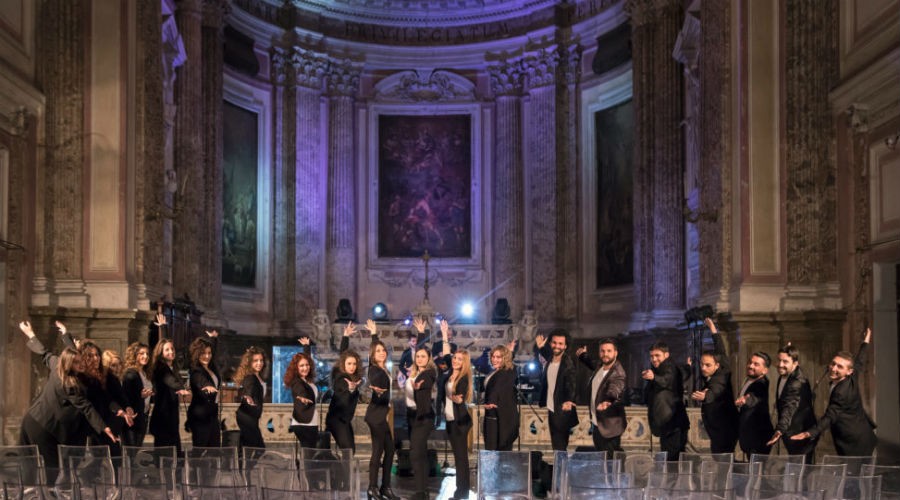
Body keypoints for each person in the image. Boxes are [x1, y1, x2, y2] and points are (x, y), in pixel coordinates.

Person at [18, 320, 115, 472]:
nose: (82, 364)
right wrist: (104, 427)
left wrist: (61, 334)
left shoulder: (57, 363)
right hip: (41, 425)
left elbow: (45, 353)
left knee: (43, 466)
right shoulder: (70, 385)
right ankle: (44, 494)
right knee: (49, 467)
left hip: (33, 418)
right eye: (77, 363)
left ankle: (40, 492)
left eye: (81, 360)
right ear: (69, 365)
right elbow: (86, 407)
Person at [791, 328, 877, 456]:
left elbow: (830, 416)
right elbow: (860, 361)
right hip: (864, 434)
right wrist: (866, 341)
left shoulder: (841, 393)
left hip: (854, 442)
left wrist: (810, 433)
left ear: (848, 371)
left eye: (839, 367)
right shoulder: (851, 376)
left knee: (854, 474)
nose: (833, 368)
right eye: (833, 364)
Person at [691, 318, 739, 454]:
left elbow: (715, 389)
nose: (703, 368)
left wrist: (706, 396)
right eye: (702, 364)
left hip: (725, 428)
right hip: (719, 427)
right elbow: (720, 348)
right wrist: (713, 329)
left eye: (707, 365)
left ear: (716, 365)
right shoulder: (723, 364)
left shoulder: (719, 378)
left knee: (723, 461)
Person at [76, 340, 132, 455]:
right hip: (91, 423)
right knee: (97, 458)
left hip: (104, 422)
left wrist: (121, 410)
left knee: (112, 456)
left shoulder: (97, 378)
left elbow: (108, 399)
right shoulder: (80, 377)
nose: (96, 358)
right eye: (91, 356)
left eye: (97, 355)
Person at [765, 343, 817, 463]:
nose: (780, 364)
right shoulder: (786, 375)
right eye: (779, 360)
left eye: (785, 361)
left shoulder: (797, 382)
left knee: (801, 470)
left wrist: (780, 429)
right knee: (796, 468)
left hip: (800, 433)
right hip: (791, 430)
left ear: (795, 363)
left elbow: (790, 406)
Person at [364, 320, 398, 500]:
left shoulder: (383, 368)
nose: (382, 352)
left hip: (380, 416)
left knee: (390, 450)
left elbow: (376, 349)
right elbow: (372, 381)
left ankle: (385, 487)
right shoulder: (374, 370)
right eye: (378, 351)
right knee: (378, 451)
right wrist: (373, 388)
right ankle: (372, 488)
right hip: (375, 416)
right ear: (372, 354)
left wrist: (375, 334)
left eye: (383, 350)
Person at [438, 324, 473, 500]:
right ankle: (461, 492)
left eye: (459, 359)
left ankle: (462, 493)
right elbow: (446, 354)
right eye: (455, 358)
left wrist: (458, 399)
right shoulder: (450, 373)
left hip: (460, 422)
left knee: (461, 459)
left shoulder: (464, 377)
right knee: (458, 458)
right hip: (451, 421)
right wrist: (444, 334)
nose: (455, 361)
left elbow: (461, 398)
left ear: (464, 362)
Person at [576, 338, 627, 458]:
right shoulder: (601, 366)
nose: (605, 354)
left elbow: (615, 389)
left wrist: (608, 401)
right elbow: (592, 363)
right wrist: (583, 356)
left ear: (615, 353)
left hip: (610, 426)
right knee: (603, 457)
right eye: (602, 351)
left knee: (611, 460)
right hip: (598, 422)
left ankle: (618, 476)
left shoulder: (618, 373)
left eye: (609, 351)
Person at [149, 314, 191, 453]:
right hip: (163, 419)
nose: (171, 351)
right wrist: (181, 388)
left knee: (174, 454)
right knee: (165, 456)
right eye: (167, 350)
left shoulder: (172, 367)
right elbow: (169, 379)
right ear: (160, 352)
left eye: (172, 349)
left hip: (171, 418)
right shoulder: (160, 367)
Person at [643, 342, 690, 460]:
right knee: (670, 460)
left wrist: (653, 377)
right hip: (668, 425)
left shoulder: (670, 367)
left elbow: (667, 381)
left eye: (657, 355)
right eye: (652, 356)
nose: (654, 359)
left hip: (673, 424)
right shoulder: (658, 370)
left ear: (666, 355)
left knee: (672, 461)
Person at [534, 329, 578, 451]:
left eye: (560, 343)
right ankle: (560, 469)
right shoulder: (550, 360)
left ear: (565, 346)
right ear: (550, 344)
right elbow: (547, 355)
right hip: (552, 408)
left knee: (560, 445)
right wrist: (541, 348)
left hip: (562, 408)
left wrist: (569, 400)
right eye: (554, 343)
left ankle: (561, 470)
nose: (557, 346)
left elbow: (571, 382)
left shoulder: (567, 362)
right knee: (557, 445)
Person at [326, 322, 363, 452]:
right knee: (348, 451)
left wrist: (346, 336)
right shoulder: (341, 378)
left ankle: (342, 472)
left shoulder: (353, 377)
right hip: (336, 420)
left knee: (350, 451)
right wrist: (351, 389)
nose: (352, 366)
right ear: (344, 365)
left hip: (344, 420)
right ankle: (342, 472)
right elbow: (343, 393)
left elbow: (343, 354)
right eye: (349, 364)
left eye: (354, 364)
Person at [407, 346, 437, 500]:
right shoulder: (417, 373)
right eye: (417, 356)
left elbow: (428, 380)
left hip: (425, 417)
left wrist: (419, 385)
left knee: (415, 452)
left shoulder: (429, 372)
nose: (419, 359)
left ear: (429, 358)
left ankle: (420, 492)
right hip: (417, 417)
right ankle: (423, 491)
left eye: (423, 356)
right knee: (420, 453)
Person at [735, 347, 774, 457]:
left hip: (759, 436)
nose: (751, 366)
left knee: (758, 471)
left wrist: (745, 400)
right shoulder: (749, 380)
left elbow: (755, 397)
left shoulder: (762, 384)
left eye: (756, 364)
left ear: (765, 370)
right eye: (750, 362)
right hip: (749, 436)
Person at [186, 330, 222, 447]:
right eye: (203, 353)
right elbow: (200, 380)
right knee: (200, 451)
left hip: (212, 414)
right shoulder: (195, 370)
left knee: (215, 449)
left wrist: (213, 339)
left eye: (209, 353)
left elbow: (214, 352)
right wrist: (208, 386)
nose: (207, 356)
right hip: (200, 416)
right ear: (197, 354)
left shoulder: (211, 366)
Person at [483, 342, 519, 451]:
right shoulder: (496, 371)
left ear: (505, 358)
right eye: (493, 356)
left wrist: (491, 401)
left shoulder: (507, 371)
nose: (494, 359)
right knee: (492, 449)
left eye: (498, 357)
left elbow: (497, 388)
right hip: (493, 414)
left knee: (501, 449)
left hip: (503, 417)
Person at [286, 345, 318, 448]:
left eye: (307, 365)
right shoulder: (297, 382)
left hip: (310, 422)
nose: (305, 368)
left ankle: (303, 464)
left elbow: (306, 360)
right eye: (301, 366)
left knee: (309, 453)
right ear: (296, 368)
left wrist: (306, 348)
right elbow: (300, 391)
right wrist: (302, 397)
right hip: (304, 424)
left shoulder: (306, 380)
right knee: (308, 454)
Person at [122, 342, 154, 447]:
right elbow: (125, 397)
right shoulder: (130, 374)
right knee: (130, 450)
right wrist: (140, 396)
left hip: (143, 416)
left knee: (136, 448)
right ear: (134, 355)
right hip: (132, 418)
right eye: (141, 353)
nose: (145, 356)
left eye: (147, 354)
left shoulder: (145, 373)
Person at [235, 346, 267, 449]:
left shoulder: (257, 376)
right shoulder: (250, 377)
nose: (259, 363)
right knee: (257, 448)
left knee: (249, 448)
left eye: (261, 360)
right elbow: (249, 389)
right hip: (246, 417)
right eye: (255, 360)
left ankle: (240, 464)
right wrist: (248, 396)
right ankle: (242, 464)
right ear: (249, 362)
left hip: (251, 417)